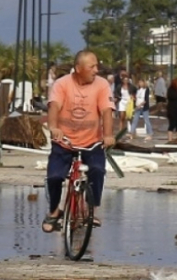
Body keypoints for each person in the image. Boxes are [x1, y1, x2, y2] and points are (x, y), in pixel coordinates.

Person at [42, 50, 116, 234]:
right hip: (64, 140)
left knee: (98, 171)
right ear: (78, 69)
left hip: (92, 141)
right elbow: (54, 106)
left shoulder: (102, 85)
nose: (96, 70)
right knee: (55, 177)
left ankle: (91, 209)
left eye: (96, 66)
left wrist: (108, 135)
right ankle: (54, 211)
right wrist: (54, 128)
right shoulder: (62, 84)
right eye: (92, 67)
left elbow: (107, 111)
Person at [114, 72, 136, 137]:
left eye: (127, 80)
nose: (126, 81)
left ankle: (132, 131)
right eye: (124, 80)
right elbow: (116, 93)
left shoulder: (131, 86)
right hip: (122, 101)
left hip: (129, 102)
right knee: (122, 117)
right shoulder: (119, 86)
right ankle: (120, 131)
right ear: (123, 80)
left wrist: (133, 96)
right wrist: (117, 97)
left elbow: (135, 92)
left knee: (129, 117)